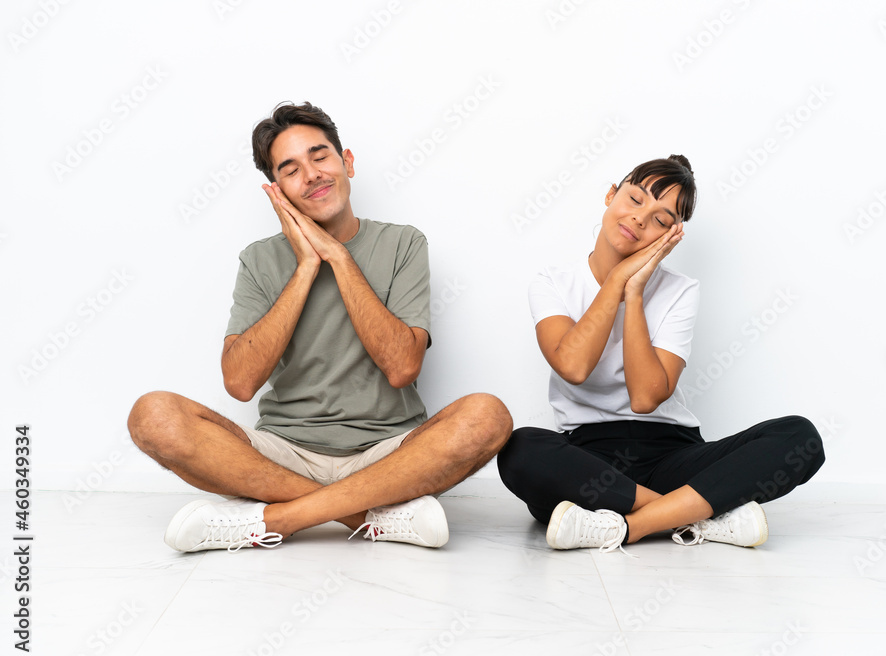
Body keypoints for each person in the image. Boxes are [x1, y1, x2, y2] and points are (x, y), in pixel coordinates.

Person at [127, 102, 512, 553]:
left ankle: (277, 519)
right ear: (278, 191)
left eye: (320, 156)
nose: (311, 174)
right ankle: (370, 517)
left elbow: (402, 367)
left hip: (388, 454)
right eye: (291, 169)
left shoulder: (404, 243)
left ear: (346, 162)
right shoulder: (259, 259)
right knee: (151, 415)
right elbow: (240, 382)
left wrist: (338, 257)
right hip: (283, 452)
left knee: (488, 415)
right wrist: (307, 264)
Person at [497, 156, 824, 553]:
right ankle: (698, 515)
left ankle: (626, 527)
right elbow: (573, 366)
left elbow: (645, 398)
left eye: (660, 219)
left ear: (673, 235)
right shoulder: (553, 282)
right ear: (610, 195)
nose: (639, 219)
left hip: (673, 453)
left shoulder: (680, 290)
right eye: (635, 200)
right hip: (590, 456)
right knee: (520, 450)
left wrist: (634, 294)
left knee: (799, 436)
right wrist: (618, 279)